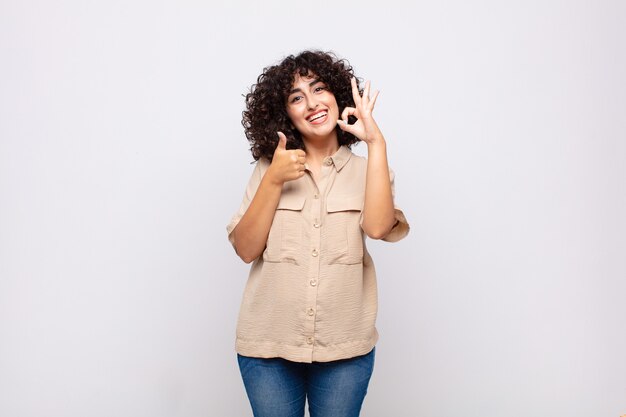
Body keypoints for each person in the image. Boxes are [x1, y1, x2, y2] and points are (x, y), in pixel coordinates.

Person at [226, 50, 409, 417]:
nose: (312, 103)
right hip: (268, 349)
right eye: (297, 97)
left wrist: (377, 143)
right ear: (285, 114)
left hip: (344, 350)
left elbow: (376, 227)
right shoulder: (268, 169)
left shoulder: (367, 169)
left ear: (337, 96)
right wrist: (275, 179)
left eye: (319, 89)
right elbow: (246, 249)